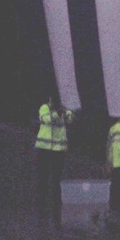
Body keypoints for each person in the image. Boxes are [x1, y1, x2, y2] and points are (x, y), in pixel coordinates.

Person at [35, 95, 74, 223]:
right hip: (44, 149)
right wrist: (58, 113)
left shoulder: (64, 109)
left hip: (58, 150)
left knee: (57, 178)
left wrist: (68, 112)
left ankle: (56, 203)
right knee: (43, 177)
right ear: (50, 99)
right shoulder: (44, 108)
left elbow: (70, 121)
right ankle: (42, 203)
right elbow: (47, 120)